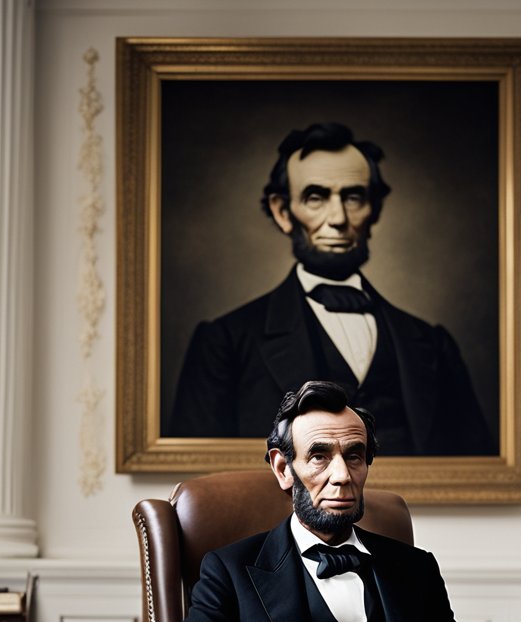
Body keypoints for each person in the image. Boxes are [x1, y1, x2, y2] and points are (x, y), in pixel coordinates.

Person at [160, 380, 486, 622]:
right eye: (319, 456)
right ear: (283, 468)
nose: (343, 476)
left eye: (354, 456)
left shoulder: (417, 569)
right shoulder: (228, 571)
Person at [167, 122, 495, 456]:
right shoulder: (226, 342)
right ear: (283, 212)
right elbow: (201, 480)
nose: (338, 217)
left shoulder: (433, 345)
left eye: (353, 197)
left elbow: (477, 467)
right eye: (315, 197)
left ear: (374, 209)